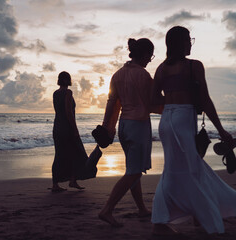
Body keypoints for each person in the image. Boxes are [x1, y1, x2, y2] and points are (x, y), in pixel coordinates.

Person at [151, 26, 236, 235]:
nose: (190, 43)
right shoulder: (194, 66)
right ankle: (208, 219)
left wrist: (172, 103)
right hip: (182, 119)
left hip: (166, 122)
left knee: (173, 170)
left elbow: (152, 100)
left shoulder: (161, 68)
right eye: (189, 40)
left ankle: (164, 220)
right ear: (180, 43)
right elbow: (205, 100)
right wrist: (221, 130)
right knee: (192, 170)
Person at [98, 38, 161, 227]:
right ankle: (107, 210)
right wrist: (176, 106)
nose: (150, 60)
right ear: (145, 54)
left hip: (124, 126)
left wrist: (108, 127)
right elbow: (153, 104)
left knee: (133, 169)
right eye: (150, 56)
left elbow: (112, 104)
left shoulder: (117, 75)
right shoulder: (143, 75)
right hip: (138, 125)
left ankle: (141, 208)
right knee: (134, 172)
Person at [51, 71, 88, 192]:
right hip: (66, 128)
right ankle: (72, 180)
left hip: (57, 127)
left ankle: (57, 183)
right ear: (67, 80)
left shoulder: (55, 93)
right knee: (76, 153)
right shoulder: (68, 92)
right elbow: (68, 112)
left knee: (60, 155)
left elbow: (59, 111)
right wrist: (75, 128)